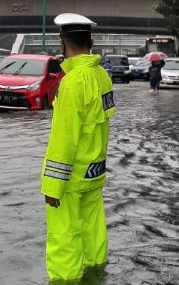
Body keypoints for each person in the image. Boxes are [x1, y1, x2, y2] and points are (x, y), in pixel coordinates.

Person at [40, 13, 115, 283]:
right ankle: (96, 274)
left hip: (70, 180)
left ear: (62, 45)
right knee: (93, 230)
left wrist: (52, 186)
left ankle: (65, 280)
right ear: (91, 42)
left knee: (64, 237)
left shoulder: (71, 83)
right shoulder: (102, 76)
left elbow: (64, 138)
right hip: (94, 173)